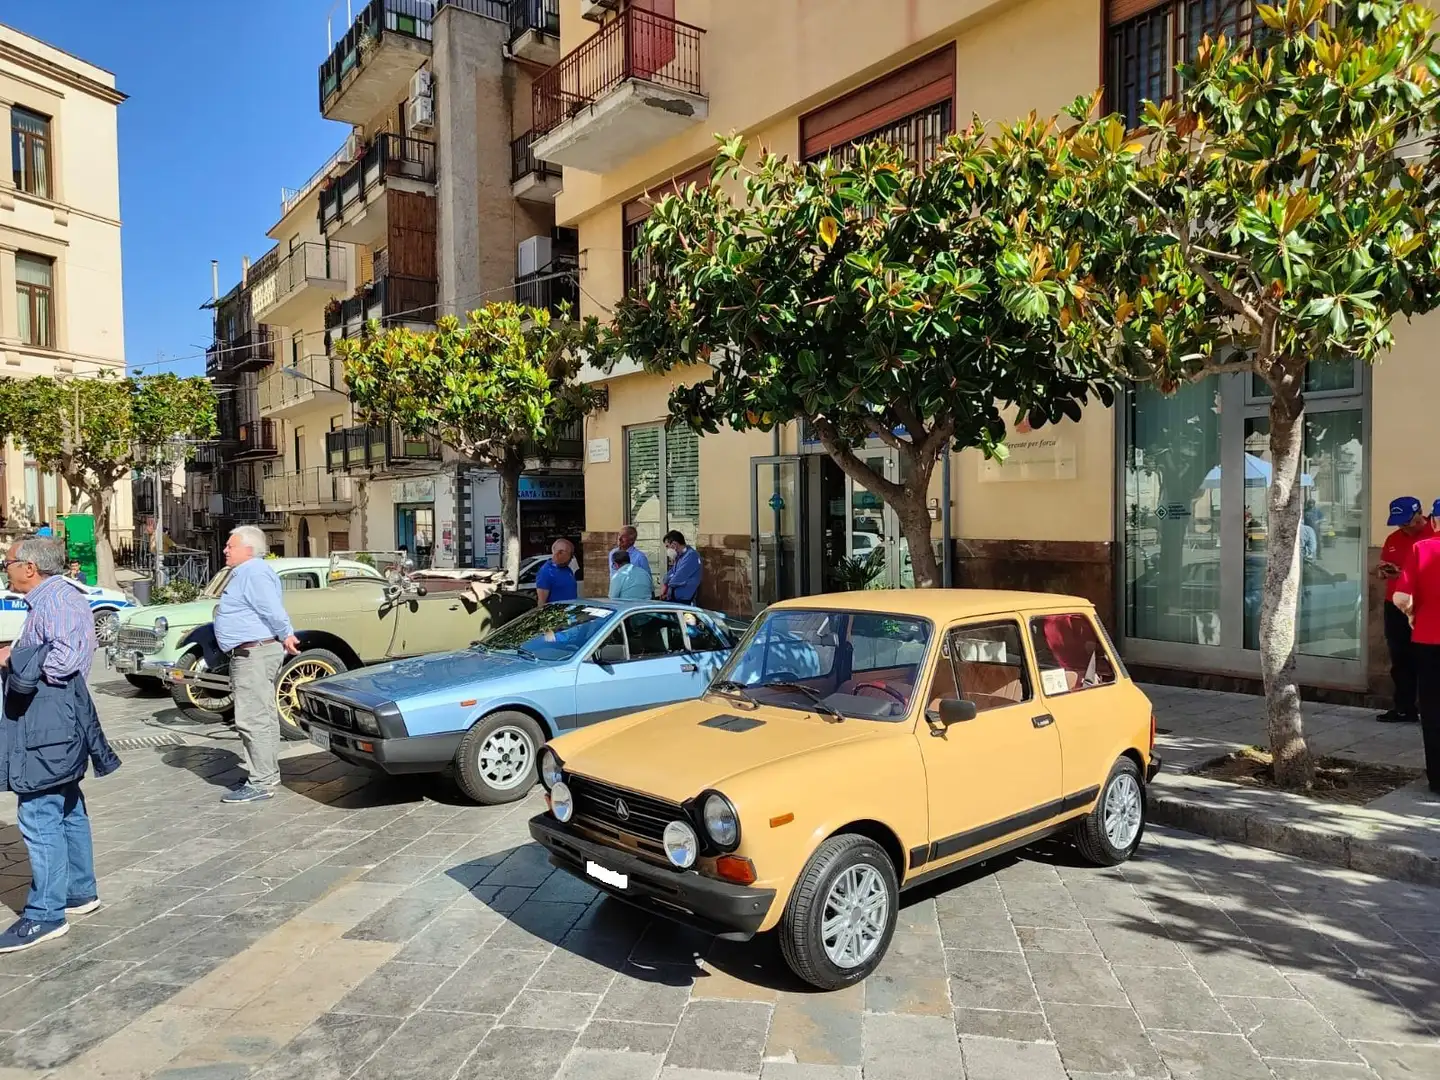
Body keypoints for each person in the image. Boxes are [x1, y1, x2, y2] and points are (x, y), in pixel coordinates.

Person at [0, 536, 119, 953]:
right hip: (51, 722)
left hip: (49, 724)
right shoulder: (49, 601)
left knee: (37, 811)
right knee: (65, 806)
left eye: (9, 561)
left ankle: (44, 914)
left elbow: (65, 658)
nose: (6, 566)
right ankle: (78, 893)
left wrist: (14, 661)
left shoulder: (60, 600)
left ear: (30, 568)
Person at [212, 526, 299, 804]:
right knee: (262, 714)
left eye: (230, 545)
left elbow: (271, 608)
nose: (225, 549)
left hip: (254, 654)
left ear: (248, 549)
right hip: (254, 653)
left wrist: (286, 633)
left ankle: (261, 780)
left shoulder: (254, 572)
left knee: (252, 718)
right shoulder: (248, 572)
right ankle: (266, 772)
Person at [1393, 533, 1440, 793]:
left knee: (1433, 711)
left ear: (1434, 521)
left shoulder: (1421, 548)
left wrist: (1413, 614)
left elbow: (1401, 597)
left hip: (1429, 638)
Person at [1378, 496, 1429, 724]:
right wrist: (1384, 572)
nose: (1403, 527)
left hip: (1423, 606)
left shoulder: (1433, 536)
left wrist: (1408, 577)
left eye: (1406, 522)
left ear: (1419, 515)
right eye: (1398, 523)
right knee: (1400, 658)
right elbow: (1382, 566)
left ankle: (1429, 708)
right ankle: (1404, 707)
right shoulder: (1393, 539)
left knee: (1427, 659)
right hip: (1396, 604)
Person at [661, 530, 702, 604]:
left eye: (667, 546)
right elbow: (670, 574)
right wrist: (666, 581)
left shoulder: (691, 556)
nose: (667, 550)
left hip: (684, 601)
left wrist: (668, 581)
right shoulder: (679, 556)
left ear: (674, 545)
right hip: (674, 599)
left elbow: (677, 579)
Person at [534, 538, 578, 605]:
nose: (571, 558)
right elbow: (541, 602)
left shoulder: (568, 569)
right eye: (570, 555)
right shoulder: (546, 572)